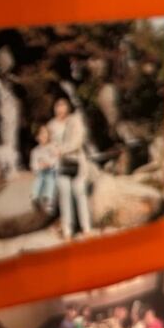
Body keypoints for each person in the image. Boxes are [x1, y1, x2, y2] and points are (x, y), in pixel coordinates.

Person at [48, 95, 93, 239]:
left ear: (68, 107)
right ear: (54, 108)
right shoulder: (51, 125)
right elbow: (49, 145)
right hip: (60, 165)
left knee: (79, 191)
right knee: (65, 194)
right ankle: (68, 230)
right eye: (57, 105)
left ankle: (87, 228)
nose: (60, 108)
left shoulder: (75, 120)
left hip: (77, 163)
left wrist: (62, 150)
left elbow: (78, 141)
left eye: (63, 105)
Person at [29, 124, 58, 213]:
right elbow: (33, 165)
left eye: (46, 133)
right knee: (38, 180)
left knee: (50, 181)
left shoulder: (52, 147)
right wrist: (39, 166)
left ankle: (48, 201)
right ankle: (35, 198)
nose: (44, 136)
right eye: (41, 134)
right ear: (37, 137)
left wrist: (49, 164)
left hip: (51, 171)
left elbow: (56, 160)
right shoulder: (35, 151)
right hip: (41, 172)